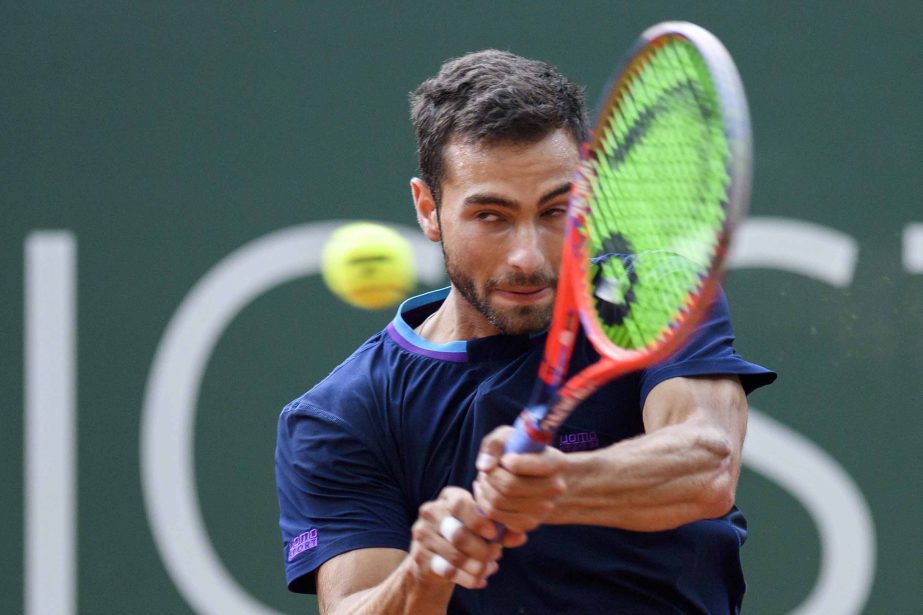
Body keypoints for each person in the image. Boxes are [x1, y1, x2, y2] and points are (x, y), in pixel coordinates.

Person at [275, 49, 775, 614]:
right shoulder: (341, 414)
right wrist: (427, 570)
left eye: (556, 210)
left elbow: (707, 466)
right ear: (427, 209)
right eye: (491, 215)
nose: (527, 257)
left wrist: (557, 484)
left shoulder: (652, 295)